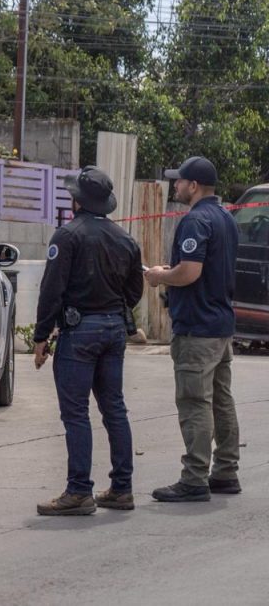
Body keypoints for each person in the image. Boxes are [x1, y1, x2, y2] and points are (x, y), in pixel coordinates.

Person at [34, 166, 144, 516]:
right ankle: (122, 488)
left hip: (79, 332)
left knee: (76, 414)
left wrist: (41, 336)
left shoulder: (67, 237)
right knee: (114, 409)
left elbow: (52, 290)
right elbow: (134, 291)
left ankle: (80, 491)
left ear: (76, 199)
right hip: (113, 329)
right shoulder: (126, 239)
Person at [144, 156, 241, 502]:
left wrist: (159, 276)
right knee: (221, 400)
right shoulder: (226, 218)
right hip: (220, 325)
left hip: (197, 328)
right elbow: (205, 267)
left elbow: (190, 273)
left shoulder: (195, 220)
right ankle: (227, 470)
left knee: (195, 401)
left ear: (194, 186)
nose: (176, 186)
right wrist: (175, 269)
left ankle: (195, 477)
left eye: (180, 181)